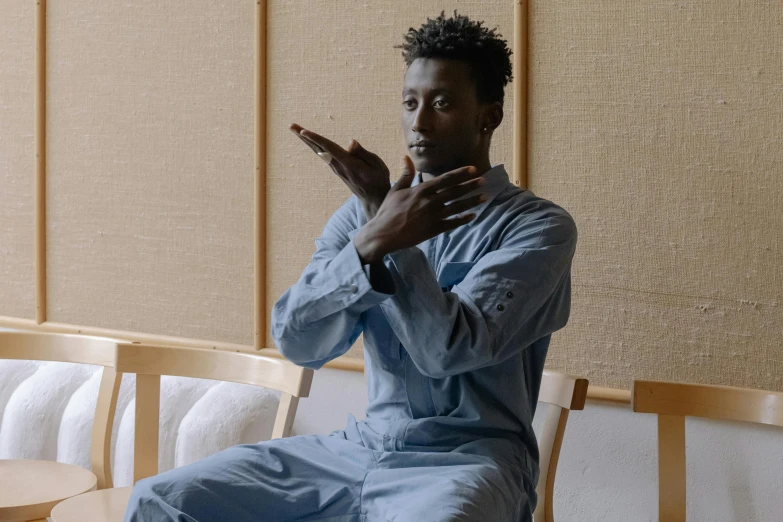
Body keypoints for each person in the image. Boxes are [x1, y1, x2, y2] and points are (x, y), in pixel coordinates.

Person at [125, 11, 576, 522]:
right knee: (158, 500)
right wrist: (368, 242)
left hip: (468, 464)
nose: (419, 122)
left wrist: (390, 231)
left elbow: (446, 351)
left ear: (488, 116)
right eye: (410, 103)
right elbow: (298, 342)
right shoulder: (363, 216)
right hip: (358, 450)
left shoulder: (539, 228)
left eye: (443, 103)